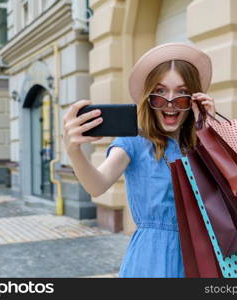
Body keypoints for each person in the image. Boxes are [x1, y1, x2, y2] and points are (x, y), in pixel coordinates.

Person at [62, 43, 217, 277]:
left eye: (182, 93)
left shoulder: (200, 146)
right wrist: (73, 150)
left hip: (202, 256)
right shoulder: (134, 142)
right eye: (160, 92)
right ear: (148, 98)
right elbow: (97, 185)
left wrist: (210, 132)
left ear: (193, 99)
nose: (171, 102)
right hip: (151, 259)